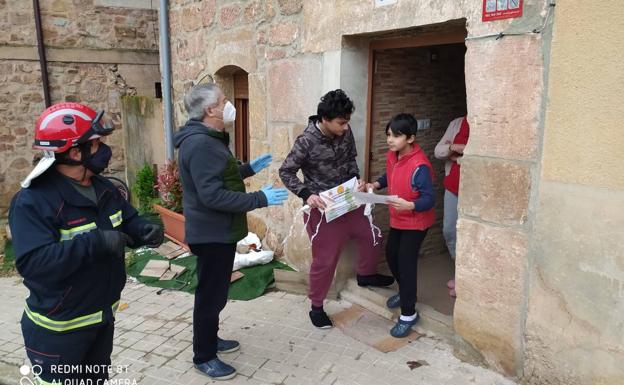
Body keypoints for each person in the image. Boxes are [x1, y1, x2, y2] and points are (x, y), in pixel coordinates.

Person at [9, 102, 164, 384]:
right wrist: (97, 243)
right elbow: (33, 264)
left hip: (101, 320)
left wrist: (144, 228)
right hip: (58, 332)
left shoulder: (103, 187)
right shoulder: (33, 202)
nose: (104, 149)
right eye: (96, 144)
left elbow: (127, 218)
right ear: (73, 152)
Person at [174, 83, 288, 380]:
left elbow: (217, 177)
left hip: (217, 232)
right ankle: (204, 356)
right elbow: (212, 195)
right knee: (210, 297)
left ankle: (211, 339)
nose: (228, 104)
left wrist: (248, 169)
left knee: (216, 294)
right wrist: (258, 198)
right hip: (211, 234)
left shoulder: (208, 139)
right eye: (223, 100)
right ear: (210, 110)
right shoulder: (200, 144)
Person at [279, 89, 394, 329]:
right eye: (341, 123)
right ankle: (317, 307)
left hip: (350, 199)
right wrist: (306, 195)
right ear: (325, 119)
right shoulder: (306, 141)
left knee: (372, 236)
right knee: (325, 259)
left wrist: (358, 180)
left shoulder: (345, 131)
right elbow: (286, 171)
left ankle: (365, 274)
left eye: (347, 122)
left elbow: (351, 158)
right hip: (323, 209)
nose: (345, 127)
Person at [367, 113, 436, 338]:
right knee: (391, 255)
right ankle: (407, 292)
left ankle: (408, 313)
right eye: (388, 134)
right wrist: (376, 184)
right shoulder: (393, 156)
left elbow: (429, 199)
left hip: (416, 221)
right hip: (399, 218)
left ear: (410, 138)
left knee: (406, 264)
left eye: (396, 136)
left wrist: (411, 205)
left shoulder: (420, 166)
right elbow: (390, 174)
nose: (390, 140)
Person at [434, 116, 469, 297]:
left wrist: (464, 156)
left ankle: (467, 280)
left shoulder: (488, 124)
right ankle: (460, 272)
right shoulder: (456, 124)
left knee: (471, 236)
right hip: (453, 188)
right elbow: (438, 151)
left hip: (475, 192)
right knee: (450, 230)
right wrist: (453, 148)